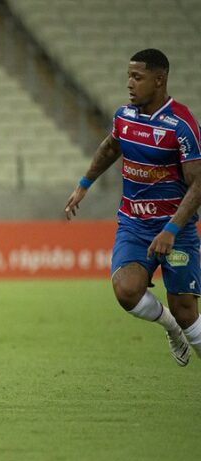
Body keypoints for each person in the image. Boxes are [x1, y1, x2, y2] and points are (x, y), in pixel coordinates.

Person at [65, 49, 201, 367]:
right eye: (128, 76)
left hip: (175, 230)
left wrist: (171, 229)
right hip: (134, 224)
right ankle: (169, 327)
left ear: (159, 80)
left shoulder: (181, 125)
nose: (130, 83)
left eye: (137, 77)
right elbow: (111, 147)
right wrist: (83, 185)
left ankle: (180, 325)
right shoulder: (124, 116)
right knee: (126, 291)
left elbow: (198, 184)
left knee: (186, 311)